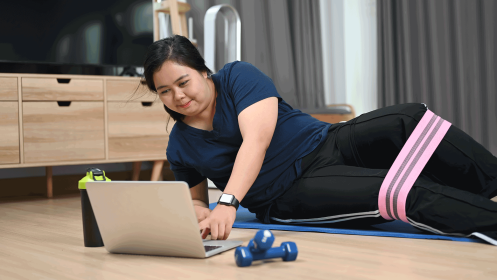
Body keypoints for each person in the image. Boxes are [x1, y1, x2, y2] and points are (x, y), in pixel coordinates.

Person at [142, 35, 497, 245]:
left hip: (327, 141)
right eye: (165, 91)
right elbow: (195, 199)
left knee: (408, 118)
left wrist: (229, 203)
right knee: (400, 190)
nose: (178, 96)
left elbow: (256, 141)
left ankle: (490, 184)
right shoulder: (180, 145)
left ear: (203, 71)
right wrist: (201, 212)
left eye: (183, 82)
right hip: (290, 193)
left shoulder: (237, 76)